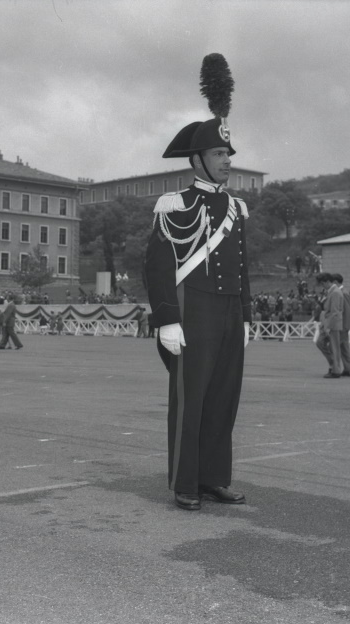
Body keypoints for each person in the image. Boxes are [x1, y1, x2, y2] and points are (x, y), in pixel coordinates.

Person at [144, 53, 251, 511]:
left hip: (228, 310)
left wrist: (245, 316)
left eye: (228, 154)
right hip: (194, 309)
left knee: (224, 399)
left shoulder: (237, 208)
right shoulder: (174, 205)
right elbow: (157, 267)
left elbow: (242, 266)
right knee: (191, 401)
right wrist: (167, 319)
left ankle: (213, 478)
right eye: (219, 154)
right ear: (198, 159)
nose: (226, 161)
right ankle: (185, 482)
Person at [316, 272, 344, 378]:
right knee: (320, 343)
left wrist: (328, 327)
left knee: (334, 348)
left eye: (323, 283)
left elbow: (334, 312)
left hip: (333, 324)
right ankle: (333, 365)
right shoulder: (331, 291)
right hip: (329, 323)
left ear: (328, 281)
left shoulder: (335, 292)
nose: (322, 286)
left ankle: (335, 370)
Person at [332, 273, 350, 377]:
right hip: (343, 324)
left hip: (343, 325)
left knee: (342, 347)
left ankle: (346, 369)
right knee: (343, 347)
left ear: (336, 282)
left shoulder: (343, 293)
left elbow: (347, 311)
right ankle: (347, 368)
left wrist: (344, 326)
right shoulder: (342, 292)